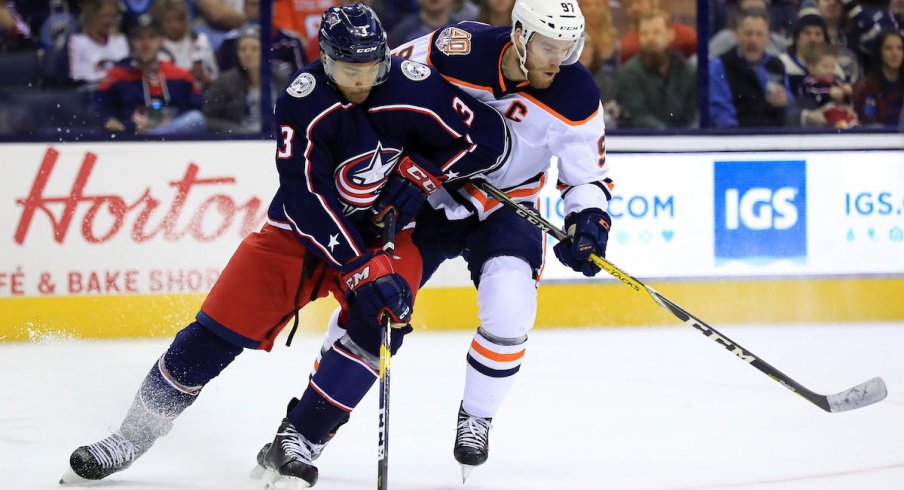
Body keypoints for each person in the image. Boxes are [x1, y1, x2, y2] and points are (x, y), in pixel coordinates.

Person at [61, 4, 508, 488]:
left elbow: (490, 138)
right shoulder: (302, 99)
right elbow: (303, 199)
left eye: (371, 69)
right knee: (215, 330)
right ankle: (130, 436)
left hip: (390, 232)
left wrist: (423, 176)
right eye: (347, 70)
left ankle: (301, 437)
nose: (361, 82)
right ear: (325, 59)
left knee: (386, 317)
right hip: (302, 231)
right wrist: (358, 264)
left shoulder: (414, 83)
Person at [386, 0, 614, 480]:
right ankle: (308, 424)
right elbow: (387, 77)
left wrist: (589, 222)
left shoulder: (576, 94)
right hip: (432, 194)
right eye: (550, 46)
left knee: (511, 310)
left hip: (508, 205)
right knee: (372, 304)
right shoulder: (460, 47)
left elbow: (587, 177)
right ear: (520, 36)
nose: (560, 58)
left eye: (569, 46)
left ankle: (477, 416)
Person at [95, 13, 206, 134]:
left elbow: (198, 112)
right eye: (139, 38)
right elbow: (101, 114)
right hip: (130, 141)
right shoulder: (116, 76)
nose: (145, 44)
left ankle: (154, 135)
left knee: (196, 118)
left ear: (161, 40)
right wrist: (132, 127)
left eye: (152, 37)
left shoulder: (180, 76)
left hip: (174, 142)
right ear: (130, 41)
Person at [709, 9, 794, 127]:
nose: (753, 40)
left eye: (759, 34)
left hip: (773, 138)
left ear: (767, 37)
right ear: (737, 35)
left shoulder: (776, 65)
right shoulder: (719, 65)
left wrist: (784, 102)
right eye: (748, 33)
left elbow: (789, 104)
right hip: (735, 139)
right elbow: (721, 112)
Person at [616, 9, 697, 128]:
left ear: (670, 35)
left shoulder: (687, 71)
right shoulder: (629, 73)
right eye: (644, 33)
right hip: (644, 142)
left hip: (686, 140)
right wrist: (671, 136)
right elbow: (639, 115)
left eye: (656, 32)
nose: (650, 38)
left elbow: (693, 114)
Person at [203, 27, 268, 133]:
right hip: (238, 142)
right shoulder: (224, 82)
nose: (248, 54)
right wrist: (235, 131)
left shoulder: (280, 80)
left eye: (254, 49)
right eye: (242, 49)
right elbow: (208, 120)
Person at [152, 0, 220, 87]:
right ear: (159, 22)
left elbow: (216, 76)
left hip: (201, 92)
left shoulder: (200, 40)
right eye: (168, 21)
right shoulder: (155, 46)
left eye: (179, 19)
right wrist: (187, 76)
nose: (174, 25)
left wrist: (206, 77)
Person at [68, 0, 129, 84]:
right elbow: (76, 77)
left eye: (114, 16)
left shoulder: (121, 41)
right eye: (105, 16)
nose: (110, 21)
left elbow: (128, 73)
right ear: (92, 16)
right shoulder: (77, 42)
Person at [799, 43, 859, 127]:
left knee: (850, 113)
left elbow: (846, 102)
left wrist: (847, 94)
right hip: (821, 117)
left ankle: (855, 127)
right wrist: (828, 94)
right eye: (825, 67)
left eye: (832, 67)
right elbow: (813, 100)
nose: (830, 71)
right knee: (832, 109)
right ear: (811, 67)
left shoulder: (836, 82)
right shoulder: (810, 83)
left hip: (842, 113)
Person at [853, 30, 904, 126]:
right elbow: (868, 121)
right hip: (879, 137)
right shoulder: (867, 86)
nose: (895, 53)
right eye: (888, 48)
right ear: (879, 52)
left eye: (900, 48)